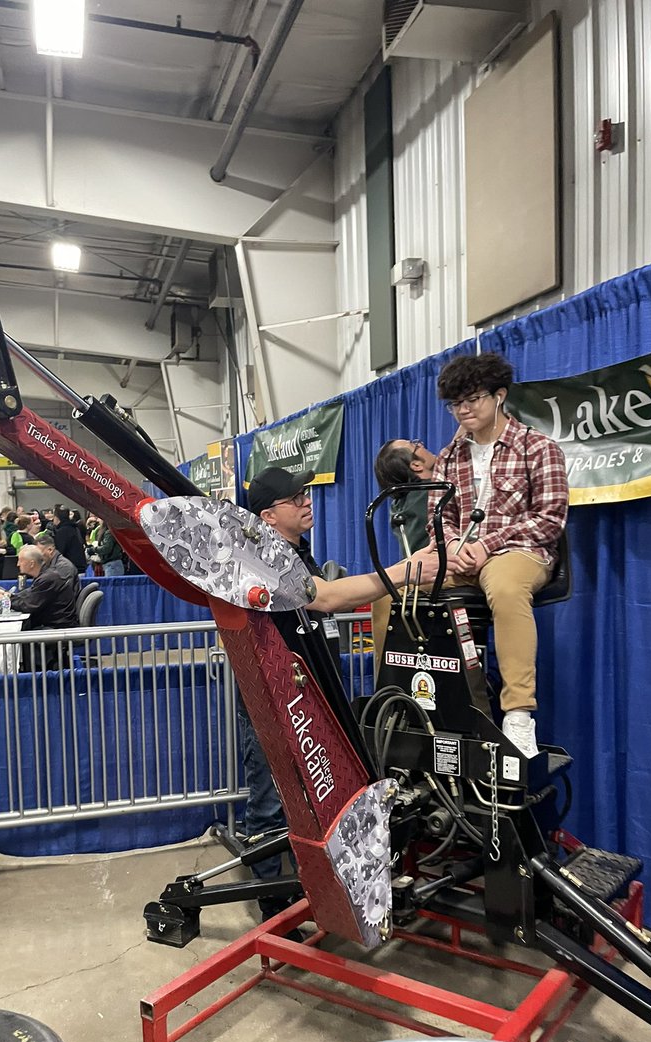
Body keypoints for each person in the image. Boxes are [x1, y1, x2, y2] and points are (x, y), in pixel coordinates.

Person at [240, 465, 454, 927]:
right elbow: (326, 598)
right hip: (275, 708)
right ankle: (273, 908)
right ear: (268, 516)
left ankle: (326, 892)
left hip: (314, 703)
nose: (307, 502)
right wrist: (404, 571)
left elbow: (333, 595)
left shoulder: (302, 555)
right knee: (271, 804)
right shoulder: (263, 560)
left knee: (324, 799)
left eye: (306, 493)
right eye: (295, 498)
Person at [431, 351, 569, 757]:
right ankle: (405, 697)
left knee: (507, 589)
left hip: (520, 552)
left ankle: (518, 715)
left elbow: (549, 518)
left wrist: (486, 546)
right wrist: (452, 545)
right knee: (392, 590)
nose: (464, 409)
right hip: (461, 556)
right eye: (455, 403)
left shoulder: (538, 447)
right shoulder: (449, 457)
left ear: (500, 395)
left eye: (473, 399)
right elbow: (438, 517)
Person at [371, 438, 436, 667]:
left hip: (429, 571)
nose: (423, 445)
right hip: (434, 570)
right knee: (384, 591)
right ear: (416, 465)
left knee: (382, 591)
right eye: (416, 444)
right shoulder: (427, 493)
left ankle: (384, 677)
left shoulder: (401, 500)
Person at [9, 545, 80, 670]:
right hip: (57, 623)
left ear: (32, 563)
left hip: (58, 626)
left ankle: (33, 673)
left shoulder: (48, 578)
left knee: (23, 634)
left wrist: (8, 600)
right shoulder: (46, 575)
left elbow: (29, 605)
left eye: (20, 560)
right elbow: (30, 595)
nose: (17, 564)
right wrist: (10, 596)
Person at [50, 505, 87, 572]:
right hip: (79, 565)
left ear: (57, 518)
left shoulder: (62, 532)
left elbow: (60, 551)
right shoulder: (74, 528)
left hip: (70, 569)